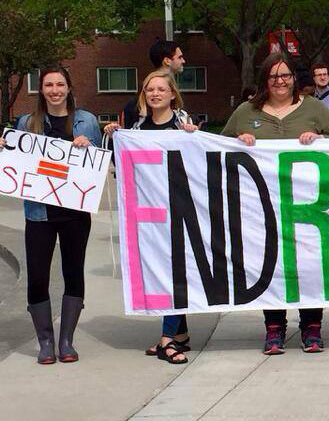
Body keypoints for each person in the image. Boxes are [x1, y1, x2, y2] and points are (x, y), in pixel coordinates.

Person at [223, 52, 329, 355]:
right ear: (265, 79)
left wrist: (319, 138)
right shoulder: (245, 110)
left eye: (285, 75)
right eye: (274, 76)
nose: (280, 81)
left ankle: (311, 326)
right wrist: (240, 141)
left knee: (310, 264)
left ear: (294, 79)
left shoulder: (314, 108)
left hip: (308, 207)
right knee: (271, 263)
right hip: (263, 208)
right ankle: (274, 327)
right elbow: (218, 148)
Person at [5, 68, 102, 364]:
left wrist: (89, 147)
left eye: (60, 84)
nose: (54, 89)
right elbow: (18, 162)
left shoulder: (87, 121)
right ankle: (45, 341)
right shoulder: (26, 122)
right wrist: (4, 149)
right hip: (39, 212)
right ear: (41, 90)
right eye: (48, 84)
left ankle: (66, 341)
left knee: (73, 272)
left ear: (69, 88)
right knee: (37, 277)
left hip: (75, 212)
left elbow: (97, 165)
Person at [104, 71, 198, 364]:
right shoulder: (137, 128)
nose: (155, 94)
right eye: (149, 89)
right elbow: (120, 166)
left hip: (180, 209)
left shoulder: (183, 126)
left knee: (173, 270)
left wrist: (195, 138)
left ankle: (167, 340)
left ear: (172, 94)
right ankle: (179, 334)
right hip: (150, 214)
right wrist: (113, 136)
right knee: (162, 270)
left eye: (161, 89)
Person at [121, 39, 186, 128]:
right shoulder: (135, 106)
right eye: (179, 57)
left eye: (162, 89)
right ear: (167, 60)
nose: (183, 61)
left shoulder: (183, 118)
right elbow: (127, 135)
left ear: (173, 94)